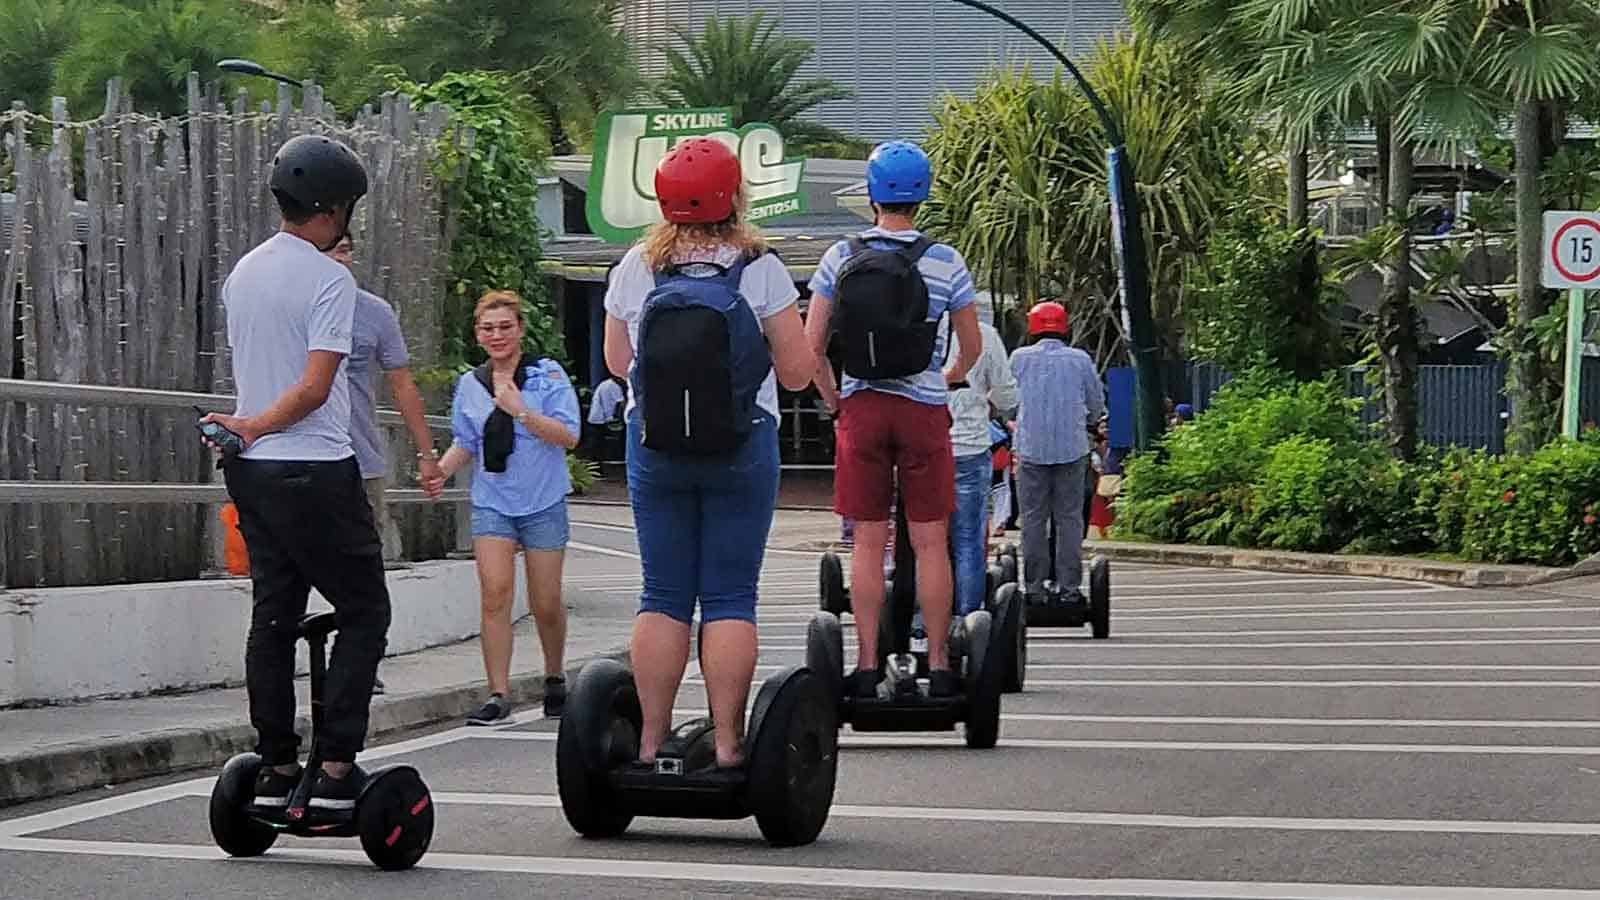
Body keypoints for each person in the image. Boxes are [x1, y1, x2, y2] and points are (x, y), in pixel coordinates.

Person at [602, 137, 814, 768]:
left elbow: (618, 363)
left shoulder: (638, 264)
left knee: (662, 592)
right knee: (728, 596)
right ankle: (727, 744)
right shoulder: (760, 267)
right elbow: (799, 373)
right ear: (735, 195)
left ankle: (648, 742)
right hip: (743, 444)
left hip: (657, 447)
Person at [199, 133, 388, 811]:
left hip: (252, 473)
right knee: (365, 609)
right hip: (313, 467)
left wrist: (248, 428)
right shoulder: (330, 278)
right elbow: (312, 388)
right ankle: (336, 765)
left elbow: (263, 372)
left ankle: (277, 765)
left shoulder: (244, 272)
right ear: (334, 209)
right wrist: (258, 422)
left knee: (274, 615)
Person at [805, 140, 981, 699]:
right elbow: (971, 348)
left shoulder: (840, 256)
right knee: (931, 542)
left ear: (873, 193)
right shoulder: (945, 261)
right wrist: (944, 377)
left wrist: (835, 400)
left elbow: (813, 349)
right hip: (923, 409)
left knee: (866, 542)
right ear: (922, 194)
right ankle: (938, 661)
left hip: (862, 405)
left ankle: (863, 663)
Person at [422, 292, 581, 723]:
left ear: (520, 330)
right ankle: (498, 692)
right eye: (487, 328)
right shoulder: (470, 385)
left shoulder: (546, 376)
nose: (496, 335)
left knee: (545, 600)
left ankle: (554, 676)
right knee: (495, 594)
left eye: (505, 327)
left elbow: (569, 435)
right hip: (493, 500)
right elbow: (467, 442)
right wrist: (439, 471)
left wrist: (522, 412)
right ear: (477, 334)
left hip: (543, 500)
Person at [324, 236, 443, 695]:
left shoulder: (374, 312)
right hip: (302, 455)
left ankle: (359, 659)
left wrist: (427, 454)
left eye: (346, 250)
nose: (339, 258)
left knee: (364, 564)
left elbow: (403, 386)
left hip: (360, 456)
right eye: (330, 250)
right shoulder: (293, 304)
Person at [1009, 300, 1106, 602]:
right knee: (1069, 519)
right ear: (1065, 327)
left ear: (1032, 327)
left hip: (1030, 450)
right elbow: (1096, 404)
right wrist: (1089, 421)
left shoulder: (1019, 358)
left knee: (1033, 519)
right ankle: (1069, 588)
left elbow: (1009, 402)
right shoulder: (1080, 360)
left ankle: (1035, 588)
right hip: (1072, 450)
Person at [944, 292, 1017, 616]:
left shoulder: (913, 330)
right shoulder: (984, 335)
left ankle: (922, 620)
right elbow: (1005, 396)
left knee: (923, 539)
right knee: (969, 539)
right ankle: (968, 619)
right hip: (970, 445)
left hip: (923, 445)